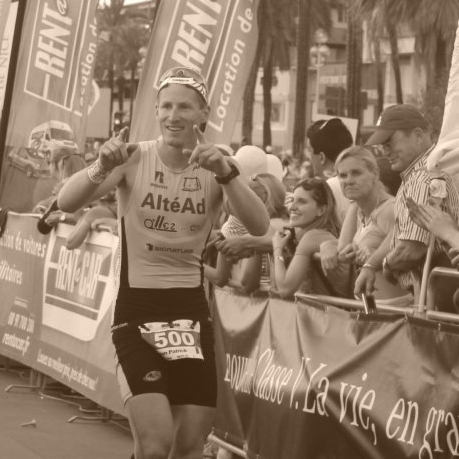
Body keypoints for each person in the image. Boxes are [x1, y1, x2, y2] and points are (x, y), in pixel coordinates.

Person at [57, 66, 269, 459]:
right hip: (136, 310)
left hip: (190, 312)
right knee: (155, 446)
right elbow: (66, 202)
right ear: (156, 110)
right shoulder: (134, 158)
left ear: (203, 114)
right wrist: (101, 165)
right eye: (166, 106)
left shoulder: (216, 164)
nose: (174, 116)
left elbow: (259, 224)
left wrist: (226, 174)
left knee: (188, 448)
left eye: (184, 107)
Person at [364, 104, 459, 300]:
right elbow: (401, 234)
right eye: (382, 145)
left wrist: (387, 264)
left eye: (390, 142)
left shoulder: (422, 177)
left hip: (438, 295)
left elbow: (412, 248)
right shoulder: (429, 171)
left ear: (418, 135)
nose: (385, 151)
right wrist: (372, 264)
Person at [322, 146, 412, 306]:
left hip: (396, 309)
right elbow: (343, 248)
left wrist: (375, 257)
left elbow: (407, 247)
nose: (348, 180)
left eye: (356, 173)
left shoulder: (390, 209)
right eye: (342, 175)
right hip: (371, 306)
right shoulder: (360, 210)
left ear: (375, 174)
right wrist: (327, 245)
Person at [205, 173, 288, 293]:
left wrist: (191, 262)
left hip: (263, 302)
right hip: (272, 301)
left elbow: (246, 284)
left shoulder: (272, 226)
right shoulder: (287, 223)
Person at [271, 177, 350, 299]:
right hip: (327, 309)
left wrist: (277, 249)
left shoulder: (313, 236)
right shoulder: (323, 232)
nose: (292, 207)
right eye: (292, 200)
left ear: (321, 210)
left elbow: (284, 290)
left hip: (328, 310)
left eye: (302, 202)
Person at [306, 117, 353, 219]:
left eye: (309, 151)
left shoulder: (325, 190)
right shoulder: (360, 183)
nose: (308, 157)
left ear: (321, 157)